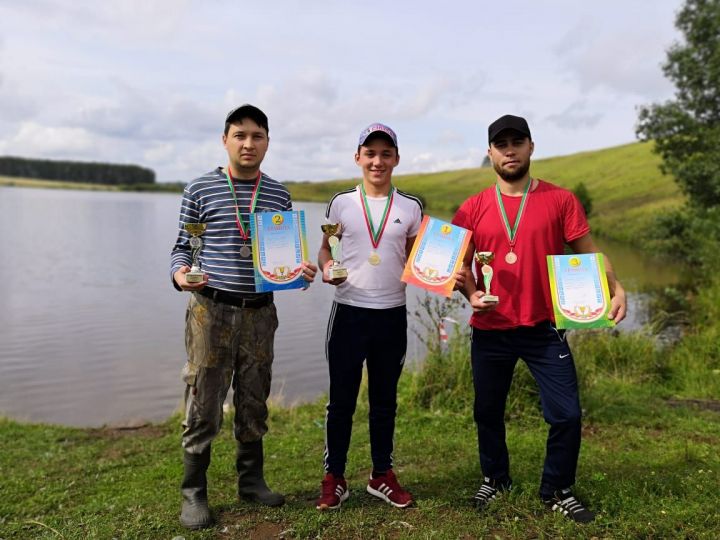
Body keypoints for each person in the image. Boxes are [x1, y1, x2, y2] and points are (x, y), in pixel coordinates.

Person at [452, 114, 627, 523]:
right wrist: (471, 292)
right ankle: (495, 479)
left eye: (517, 142)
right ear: (489, 153)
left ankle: (557, 489)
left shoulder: (560, 200)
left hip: (544, 328)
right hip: (490, 330)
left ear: (531, 147)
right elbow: (455, 268)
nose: (509, 150)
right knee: (487, 412)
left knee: (567, 413)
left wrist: (615, 286)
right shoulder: (473, 207)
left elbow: (588, 253)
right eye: (501, 144)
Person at [170, 104, 317, 530]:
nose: (248, 143)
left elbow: (286, 257)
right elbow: (182, 247)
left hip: (260, 313)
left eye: (257, 136)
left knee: (254, 396)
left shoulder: (277, 194)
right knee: (204, 400)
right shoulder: (198, 189)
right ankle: (194, 492)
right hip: (209, 311)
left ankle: (251, 481)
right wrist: (181, 274)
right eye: (240, 135)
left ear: (267, 142)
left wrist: (300, 272)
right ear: (225, 140)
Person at [315, 123, 423, 511]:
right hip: (348, 313)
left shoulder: (411, 207)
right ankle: (335, 477)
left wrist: (440, 270)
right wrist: (327, 268)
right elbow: (325, 254)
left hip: (391, 314)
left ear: (396, 158)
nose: (378, 161)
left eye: (385, 153)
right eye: (370, 153)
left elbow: (417, 260)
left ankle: (381, 475)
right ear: (358, 157)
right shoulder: (341, 203)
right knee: (341, 402)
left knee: (384, 401)